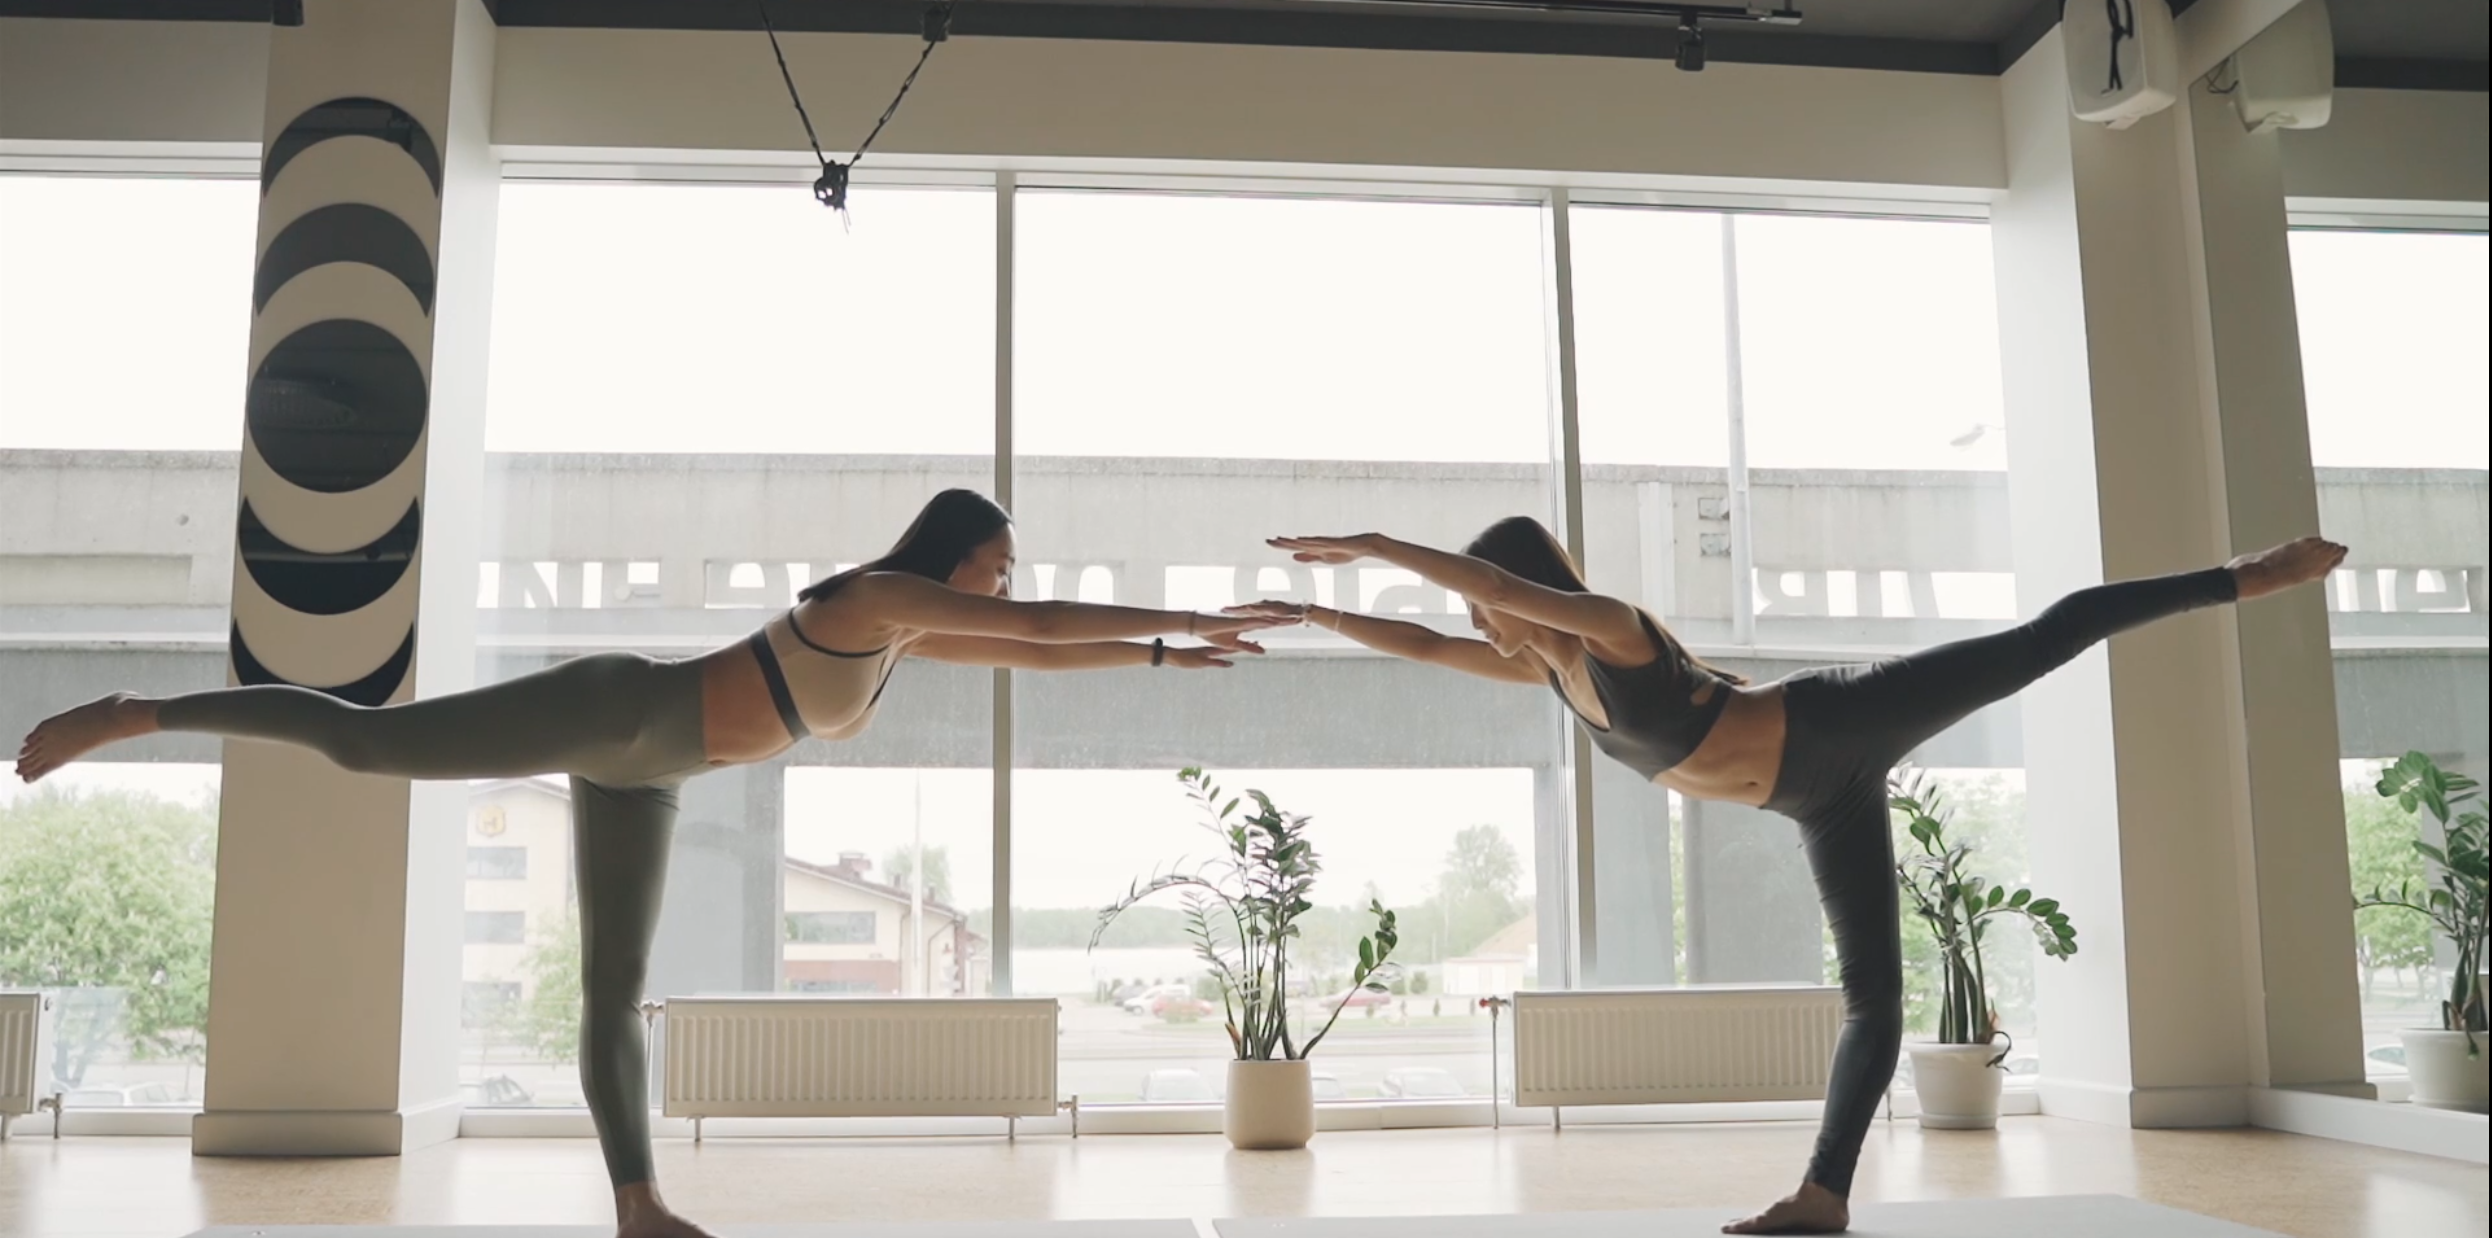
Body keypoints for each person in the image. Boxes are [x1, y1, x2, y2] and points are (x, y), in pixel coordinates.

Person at [15, 488, 1281, 1238]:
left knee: (613, 983)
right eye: (996, 562)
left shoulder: (908, 632)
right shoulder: (872, 597)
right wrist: (1188, 615)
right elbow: (1043, 625)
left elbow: (1041, 652)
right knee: (362, 745)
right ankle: (141, 709)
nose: (1006, 583)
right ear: (954, 554)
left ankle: (636, 1203)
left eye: (1005, 573)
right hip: (621, 711)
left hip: (655, 769)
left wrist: (1168, 660)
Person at [1232, 520, 2345, 1236]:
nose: (1475, 621)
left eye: (1488, 602)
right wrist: (1318, 614)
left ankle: (2238, 576)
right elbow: (1430, 646)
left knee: (2041, 638)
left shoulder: (1610, 631)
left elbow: (1472, 581)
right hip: (1811, 796)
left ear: (1520, 589)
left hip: (1831, 722)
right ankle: (1823, 1196)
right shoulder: (1542, 666)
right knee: (1874, 995)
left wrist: (1377, 542)